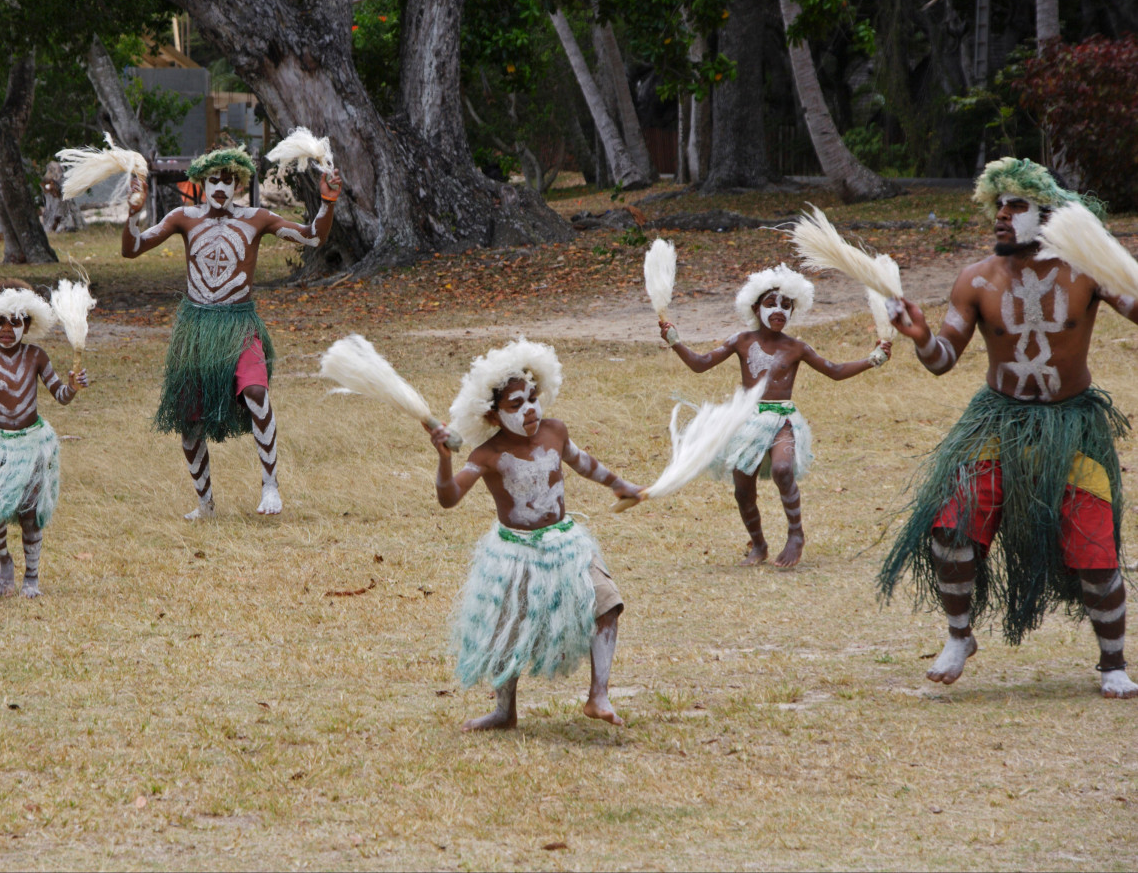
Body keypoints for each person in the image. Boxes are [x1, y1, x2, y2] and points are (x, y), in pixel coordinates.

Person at [880, 157, 1138, 698]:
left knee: (1095, 555)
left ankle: (1112, 663)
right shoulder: (976, 279)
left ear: (1046, 214)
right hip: (998, 422)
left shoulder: (1087, 270)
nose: (1001, 215)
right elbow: (943, 357)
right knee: (951, 529)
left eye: (1015, 205)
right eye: (997, 205)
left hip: (1072, 426)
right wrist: (922, 336)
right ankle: (959, 636)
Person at [427, 339, 643, 731]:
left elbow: (582, 463)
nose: (529, 409)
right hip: (514, 553)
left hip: (565, 543)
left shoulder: (555, 432)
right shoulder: (486, 455)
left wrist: (619, 484)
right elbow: (449, 497)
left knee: (607, 604)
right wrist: (444, 461)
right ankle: (504, 710)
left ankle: (598, 695)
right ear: (492, 416)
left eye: (531, 398)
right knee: (507, 629)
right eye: (515, 404)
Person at [122, 145, 341, 518]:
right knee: (189, 417)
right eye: (213, 180)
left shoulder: (257, 218)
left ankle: (270, 486)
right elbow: (133, 249)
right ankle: (205, 503)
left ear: (239, 183)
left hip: (239, 323)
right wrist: (132, 214)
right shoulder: (183, 217)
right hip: (197, 328)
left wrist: (327, 202)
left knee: (256, 391)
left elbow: (312, 238)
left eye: (228, 180)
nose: (220, 187)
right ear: (202, 183)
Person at [659, 264, 891, 567]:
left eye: (786, 305)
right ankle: (758, 545)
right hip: (747, 420)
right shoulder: (741, 341)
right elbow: (701, 363)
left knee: (783, 469)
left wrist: (872, 360)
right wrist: (675, 342)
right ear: (755, 308)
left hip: (783, 418)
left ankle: (796, 535)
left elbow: (834, 371)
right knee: (743, 489)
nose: (779, 310)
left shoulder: (796, 348)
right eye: (771, 303)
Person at [0, 280, 86, 598]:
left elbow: (61, 396)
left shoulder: (36, 356)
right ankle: (5, 564)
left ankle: (31, 577)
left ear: (28, 325)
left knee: (30, 514)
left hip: (32, 444)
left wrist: (74, 386)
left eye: (15, 321)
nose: (6, 329)